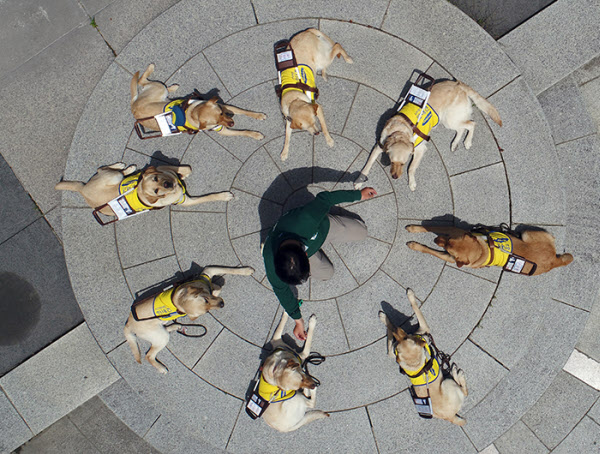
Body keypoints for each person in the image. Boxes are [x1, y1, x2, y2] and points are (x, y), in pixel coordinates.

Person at [262, 187, 377, 340]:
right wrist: (298, 320)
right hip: (305, 243)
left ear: (305, 254)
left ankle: (328, 219)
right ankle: (316, 248)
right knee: (327, 273)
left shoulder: (306, 219)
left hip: (321, 228)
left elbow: (324, 198)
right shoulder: (271, 263)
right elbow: (281, 291)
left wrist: (358, 195)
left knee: (362, 231)